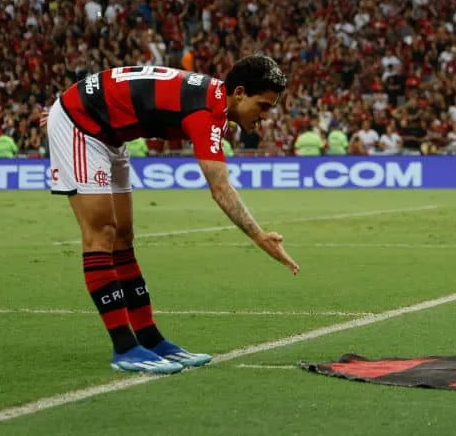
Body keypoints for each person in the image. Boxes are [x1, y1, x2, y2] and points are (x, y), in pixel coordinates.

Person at [41, 56, 299, 375]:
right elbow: (220, 188)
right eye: (263, 106)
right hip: (81, 124)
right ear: (240, 93)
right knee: (102, 233)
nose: (264, 117)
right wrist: (260, 237)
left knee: (123, 237)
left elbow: (138, 82)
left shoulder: (214, 101)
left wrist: (74, 99)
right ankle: (124, 347)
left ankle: (150, 339)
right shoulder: (206, 111)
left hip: (105, 128)